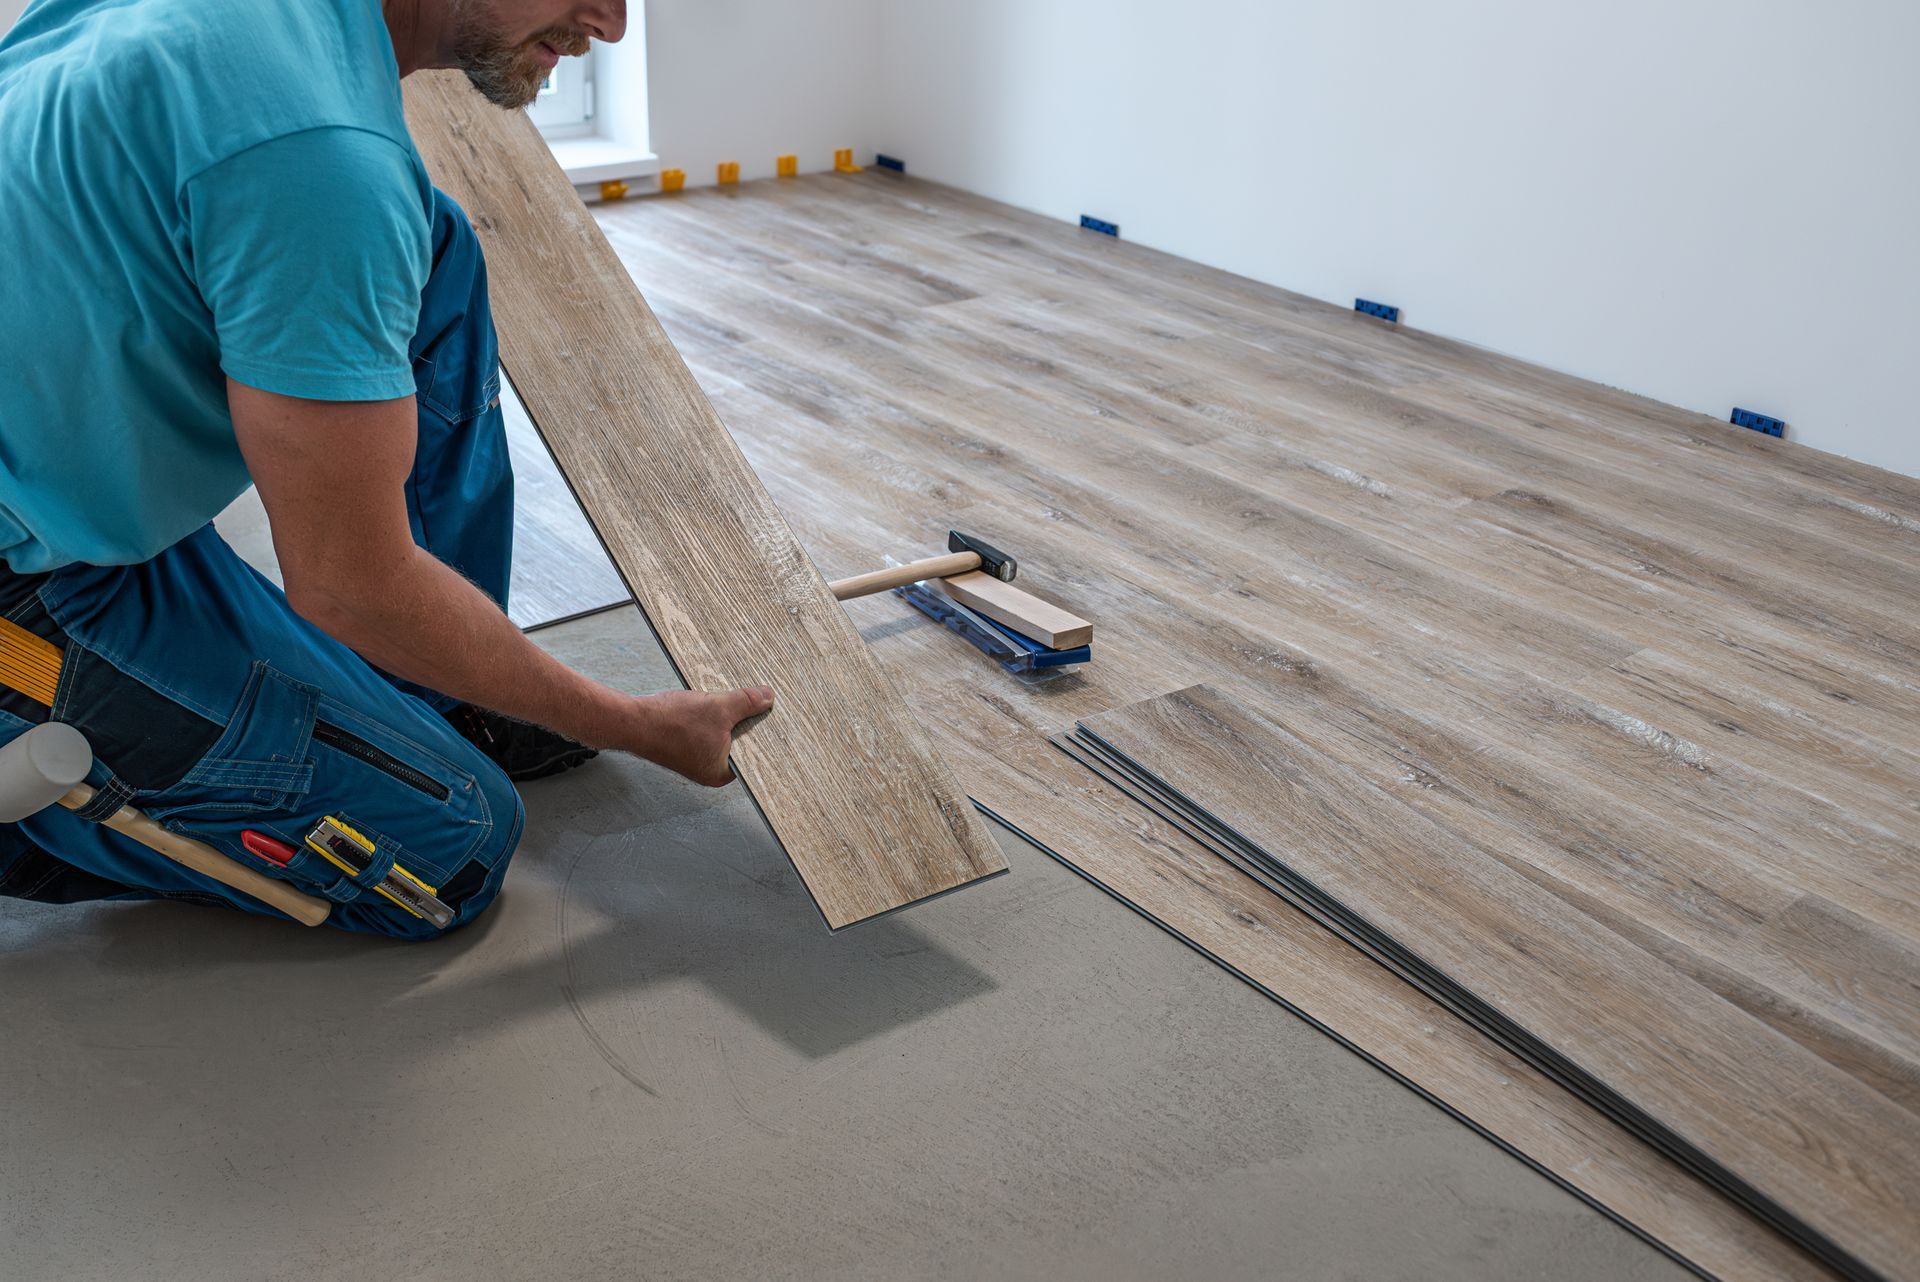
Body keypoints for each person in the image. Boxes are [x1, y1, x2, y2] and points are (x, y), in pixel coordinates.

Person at [0, 0, 774, 939]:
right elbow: (349, 586)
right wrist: (635, 725)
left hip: (54, 473)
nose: (610, 24)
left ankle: (439, 687)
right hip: (31, 577)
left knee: (430, 242)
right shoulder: (320, 161)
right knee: (452, 849)